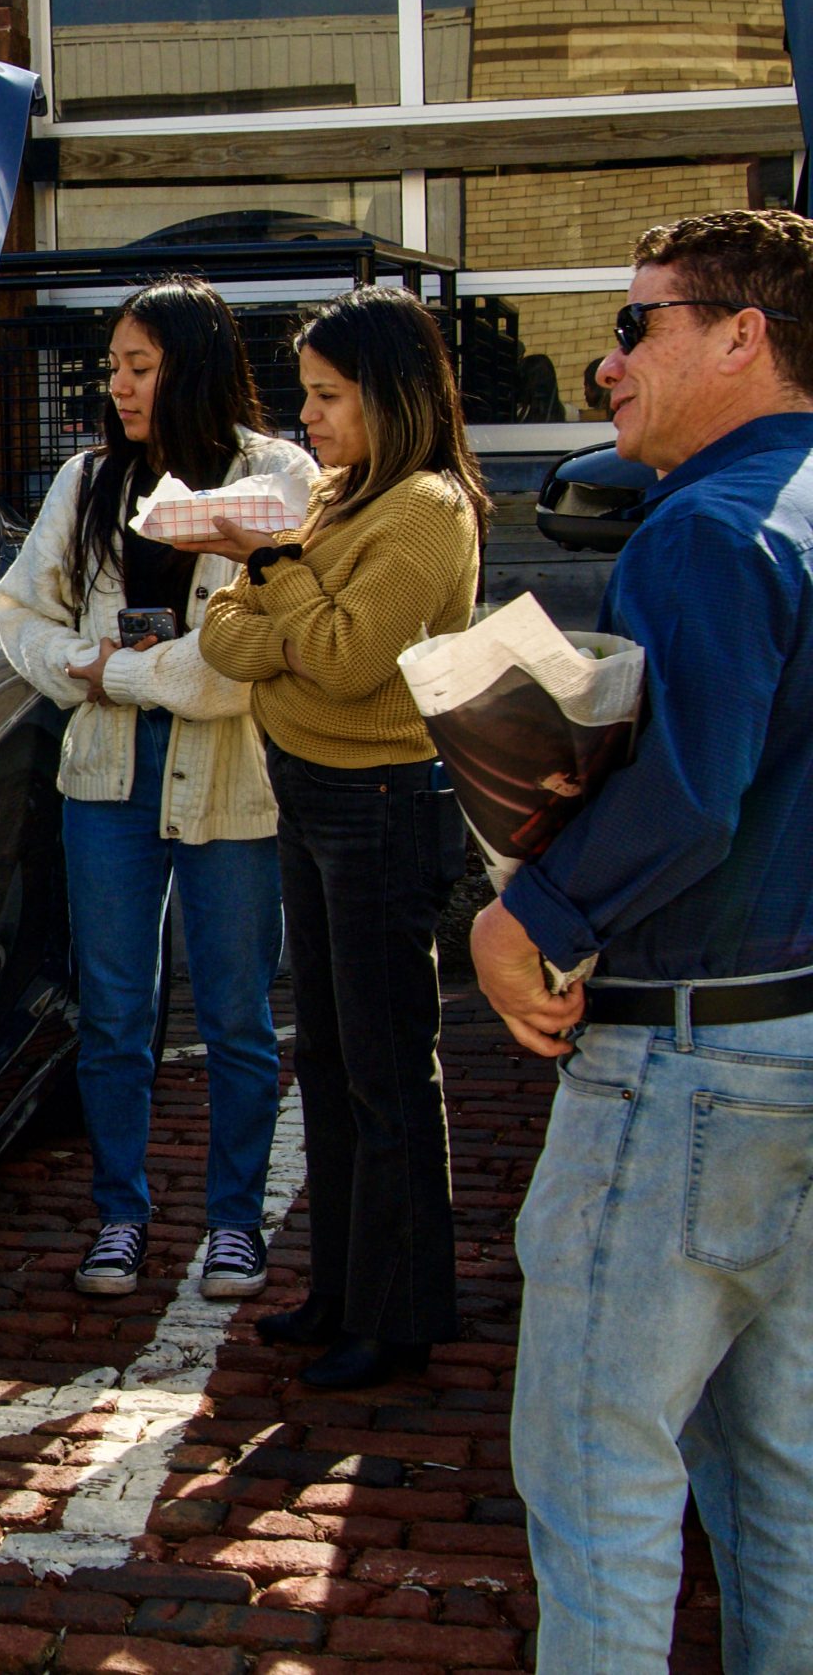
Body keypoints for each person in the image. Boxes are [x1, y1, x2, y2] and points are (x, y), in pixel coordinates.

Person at [470, 209, 813, 1674]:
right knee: (781, 1478)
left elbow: (687, 792)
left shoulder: (707, 526)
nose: (605, 363)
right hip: (787, 1040)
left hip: (689, 1063)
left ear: (742, 334)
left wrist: (523, 918)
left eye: (635, 325)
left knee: (599, 1474)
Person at [0, 277, 313, 1302]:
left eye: (140, 367)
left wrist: (112, 674)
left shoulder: (277, 477)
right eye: (114, 368)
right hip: (107, 776)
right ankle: (120, 1216)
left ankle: (234, 1223)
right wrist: (89, 665)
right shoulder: (88, 479)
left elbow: (247, 665)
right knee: (115, 1010)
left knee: (235, 1012)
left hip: (233, 779)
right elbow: (18, 616)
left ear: (195, 366)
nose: (119, 388)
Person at [193, 285, 487, 1391]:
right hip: (309, 789)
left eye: (327, 396)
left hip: (379, 804)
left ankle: (399, 1313)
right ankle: (342, 1289)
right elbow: (223, 631)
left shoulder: (425, 508)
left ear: (392, 396)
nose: (306, 417)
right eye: (306, 394)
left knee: (385, 1065)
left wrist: (276, 580)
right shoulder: (331, 495)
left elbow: (351, 659)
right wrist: (287, 609)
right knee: (324, 1052)